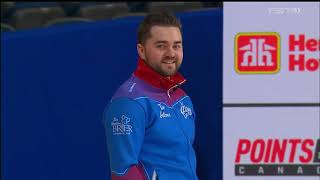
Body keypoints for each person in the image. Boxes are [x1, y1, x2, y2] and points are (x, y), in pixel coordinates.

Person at [103, 12, 198, 180]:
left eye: (176, 46)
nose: (171, 53)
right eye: (161, 46)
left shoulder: (182, 97)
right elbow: (123, 172)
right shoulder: (129, 102)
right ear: (141, 50)